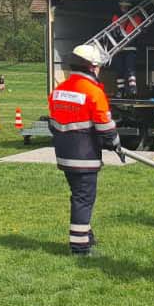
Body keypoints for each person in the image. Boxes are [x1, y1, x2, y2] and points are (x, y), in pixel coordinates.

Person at [49, 44, 120, 256]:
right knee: (83, 199)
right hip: (85, 156)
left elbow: (53, 123)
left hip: (64, 154)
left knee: (78, 196)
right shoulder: (93, 91)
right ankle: (80, 247)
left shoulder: (59, 89)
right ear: (92, 67)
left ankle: (87, 235)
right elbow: (105, 127)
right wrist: (114, 142)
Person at [112, 0, 141, 97]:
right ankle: (120, 90)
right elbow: (114, 30)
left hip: (130, 48)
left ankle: (133, 89)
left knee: (130, 69)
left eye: (125, 6)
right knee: (119, 70)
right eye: (122, 6)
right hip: (119, 48)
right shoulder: (116, 17)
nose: (123, 8)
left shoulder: (135, 17)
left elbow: (136, 31)